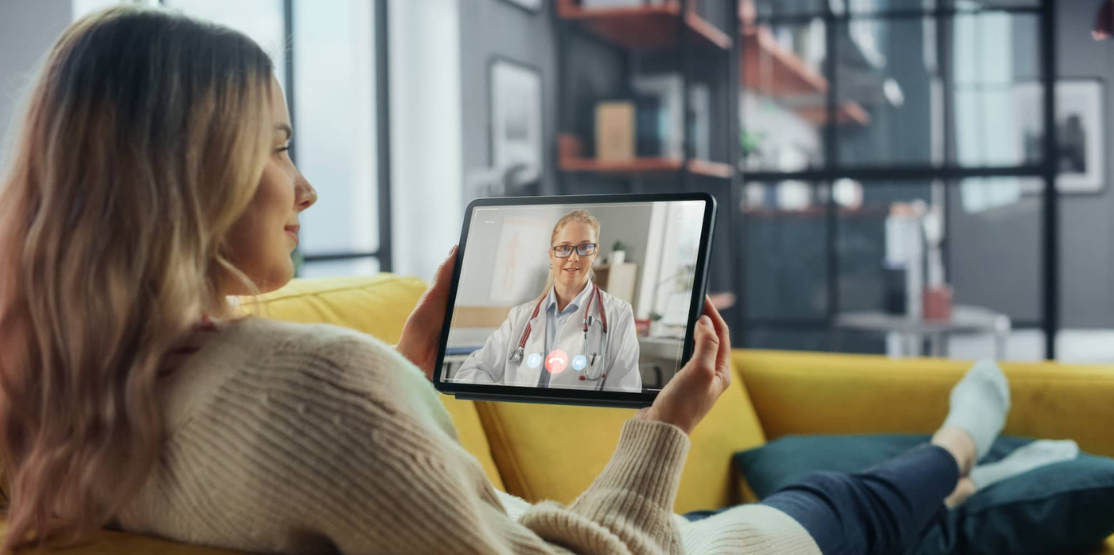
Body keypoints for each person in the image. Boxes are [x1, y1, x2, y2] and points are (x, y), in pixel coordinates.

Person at [0, 6, 1073, 555]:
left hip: (554, 520)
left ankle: (966, 465)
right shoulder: (312, 383)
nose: (306, 188)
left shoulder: (66, 397)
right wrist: (664, 425)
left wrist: (404, 370)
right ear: (194, 173)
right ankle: (965, 443)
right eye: (278, 146)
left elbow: (306, 465)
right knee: (848, 502)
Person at [454, 209, 642, 392]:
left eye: (585, 247)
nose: (574, 257)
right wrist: (508, 399)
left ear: (594, 253)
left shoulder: (618, 314)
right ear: (551, 255)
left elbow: (625, 390)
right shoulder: (520, 316)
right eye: (565, 248)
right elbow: (469, 372)